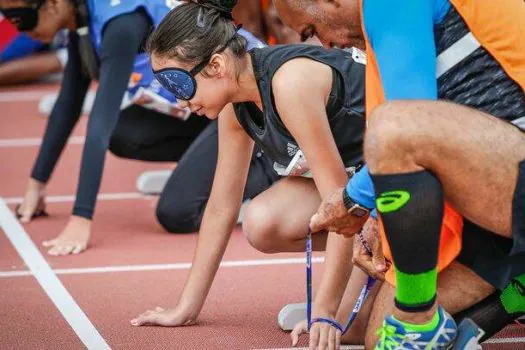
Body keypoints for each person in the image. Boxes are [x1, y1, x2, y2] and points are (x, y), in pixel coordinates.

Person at [272, 0, 525, 348]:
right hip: (494, 184)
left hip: (510, 169)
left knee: (392, 124)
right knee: (379, 337)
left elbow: (407, 125)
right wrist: (378, 213)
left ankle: (419, 321)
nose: (327, 46)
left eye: (313, 31)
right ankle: (515, 291)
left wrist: (353, 201)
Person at [129, 0, 367, 331]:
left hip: (400, 177)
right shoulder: (235, 105)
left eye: (178, 84)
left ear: (215, 66)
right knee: (261, 221)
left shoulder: (290, 84)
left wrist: (326, 310)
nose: (179, 101)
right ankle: (364, 275)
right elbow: (220, 207)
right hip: (360, 188)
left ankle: (373, 282)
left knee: (353, 329)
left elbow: (341, 207)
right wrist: (186, 308)